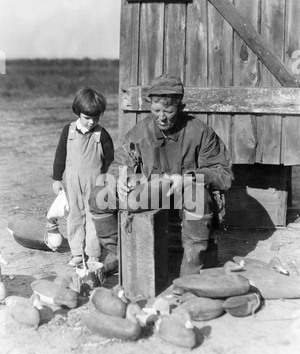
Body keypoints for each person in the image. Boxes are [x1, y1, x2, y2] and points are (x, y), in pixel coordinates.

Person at [89, 74, 233, 277]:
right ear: (150, 106)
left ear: (181, 108)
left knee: (198, 198)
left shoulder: (201, 133)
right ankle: (124, 254)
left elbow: (223, 175)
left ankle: (190, 276)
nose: (162, 117)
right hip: (151, 195)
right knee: (99, 196)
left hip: (185, 193)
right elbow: (119, 163)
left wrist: (188, 179)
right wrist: (121, 177)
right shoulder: (139, 133)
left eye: (169, 111)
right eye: (156, 111)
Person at [52, 88, 114, 267]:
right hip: (72, 184)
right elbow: (60, 155)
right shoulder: (68, 131)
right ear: (77, 112)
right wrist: (57, 178)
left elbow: (111, 161)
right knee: (74, 216)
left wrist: (108, 182)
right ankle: (77, 253)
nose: (91, 122)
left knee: (94, 218)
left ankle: (93, 253)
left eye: (96, 118)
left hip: (95, 185)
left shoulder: (101, 134)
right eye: (87, 117)